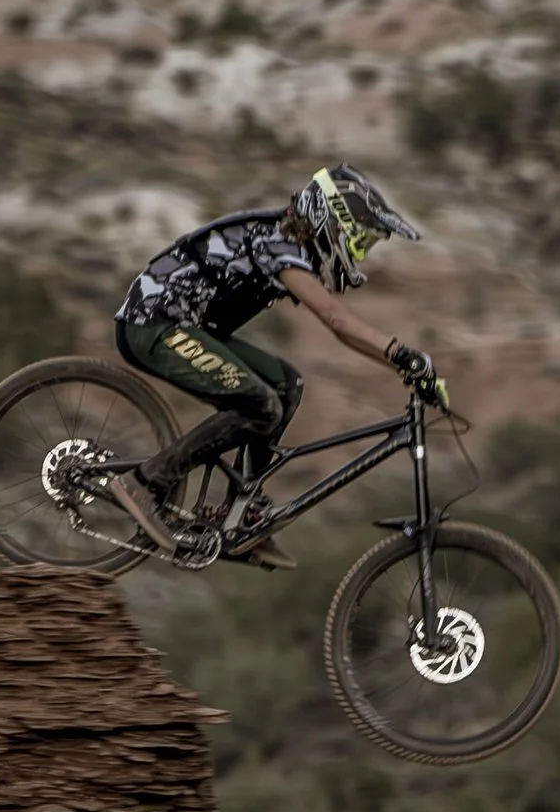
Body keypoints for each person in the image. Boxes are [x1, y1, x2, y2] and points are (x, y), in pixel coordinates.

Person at [106, 164, 441, 570]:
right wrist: (402, 353)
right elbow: (334, 318)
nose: (360, 254)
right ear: (333, 222)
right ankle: (145, 481)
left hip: (184, 327)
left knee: (286, 384)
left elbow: (342, 332)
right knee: (259, 404)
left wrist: (404, 369)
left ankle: (240, 511)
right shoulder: (278, 242)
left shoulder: (289, 244)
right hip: (152, 326)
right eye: (360, 241)